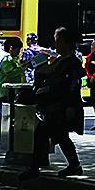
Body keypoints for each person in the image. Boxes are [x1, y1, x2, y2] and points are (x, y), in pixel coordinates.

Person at [22, 27, 84, 178]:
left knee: (44, 133)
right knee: (60, 136)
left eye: (58, 40)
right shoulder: (60, 60)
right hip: (52, 105)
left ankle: (35, 167)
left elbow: (73, 85)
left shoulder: (72, 62)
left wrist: (70, 106)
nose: (55, 44)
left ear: (66, 42)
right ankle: (73, 165)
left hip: (61, 106)